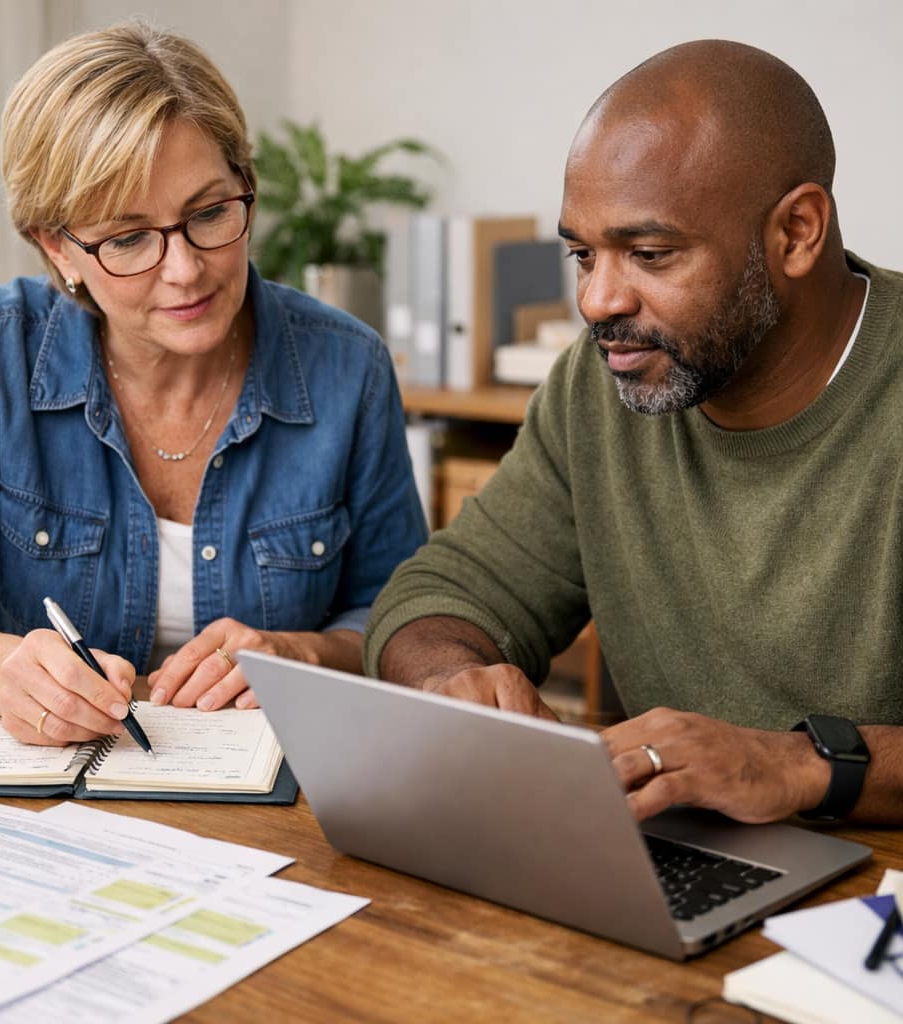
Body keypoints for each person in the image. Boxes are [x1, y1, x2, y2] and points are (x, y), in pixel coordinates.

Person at [364, 39, 903, 827]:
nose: (596, 300)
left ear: (797, 232)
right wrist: (451, 680)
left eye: (649, 254)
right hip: (685, 872)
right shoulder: (602, 383)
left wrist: (794, 763)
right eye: (584, 254)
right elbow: (439, 597)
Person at [0, 22, 426, 746]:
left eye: (208, 214)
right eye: (129, 237)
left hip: (277, 804)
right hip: (40, 799)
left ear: (247, 188)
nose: (185, 269)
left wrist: (302, 653)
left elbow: (399, 619)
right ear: (57, 246)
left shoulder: (346, 367)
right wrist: (5, 669)